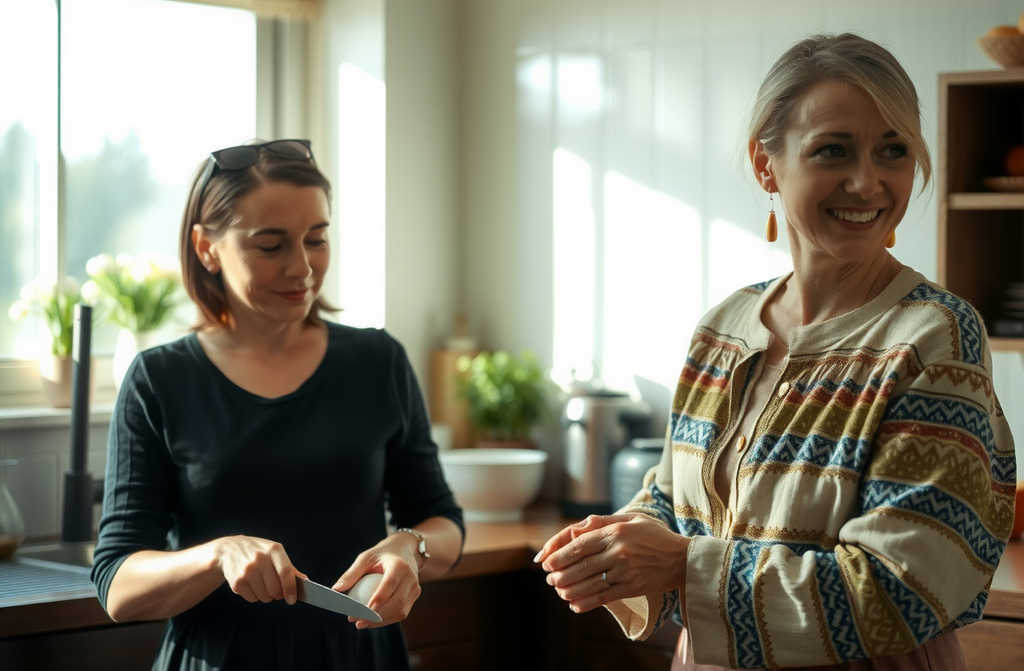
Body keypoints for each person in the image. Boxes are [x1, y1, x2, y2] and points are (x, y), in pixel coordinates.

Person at [534, 34, 1016, 670]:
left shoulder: (936, 337)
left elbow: (902, 587)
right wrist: (616, 540)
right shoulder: (722, 330)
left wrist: (680, 564)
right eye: (833, 150)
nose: (867, 181)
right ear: (767, 165)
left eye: (893, 150)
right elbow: (678, 499)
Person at [90, 139, 464, 670]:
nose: (302, 269)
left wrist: (410, 546)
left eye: (316, 239)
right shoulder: (159, 379)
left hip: (359, 659)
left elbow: (443, 522)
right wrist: (217, 556)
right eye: (270, 246)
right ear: (206, 247)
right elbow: (118, 586)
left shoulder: (378, 362)